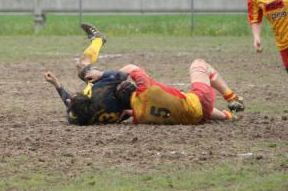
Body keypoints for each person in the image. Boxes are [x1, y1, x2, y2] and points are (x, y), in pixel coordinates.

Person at [44, 23, 245, 125]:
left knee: (82, 66)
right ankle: (231, 97)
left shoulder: (131, 114)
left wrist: (57, 85)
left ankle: (228, 116)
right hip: (197, 102)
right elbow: (130, 71)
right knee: (82, 65)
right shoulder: (107, 89)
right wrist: (102, 74)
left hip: (190, 116)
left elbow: (71, 103)